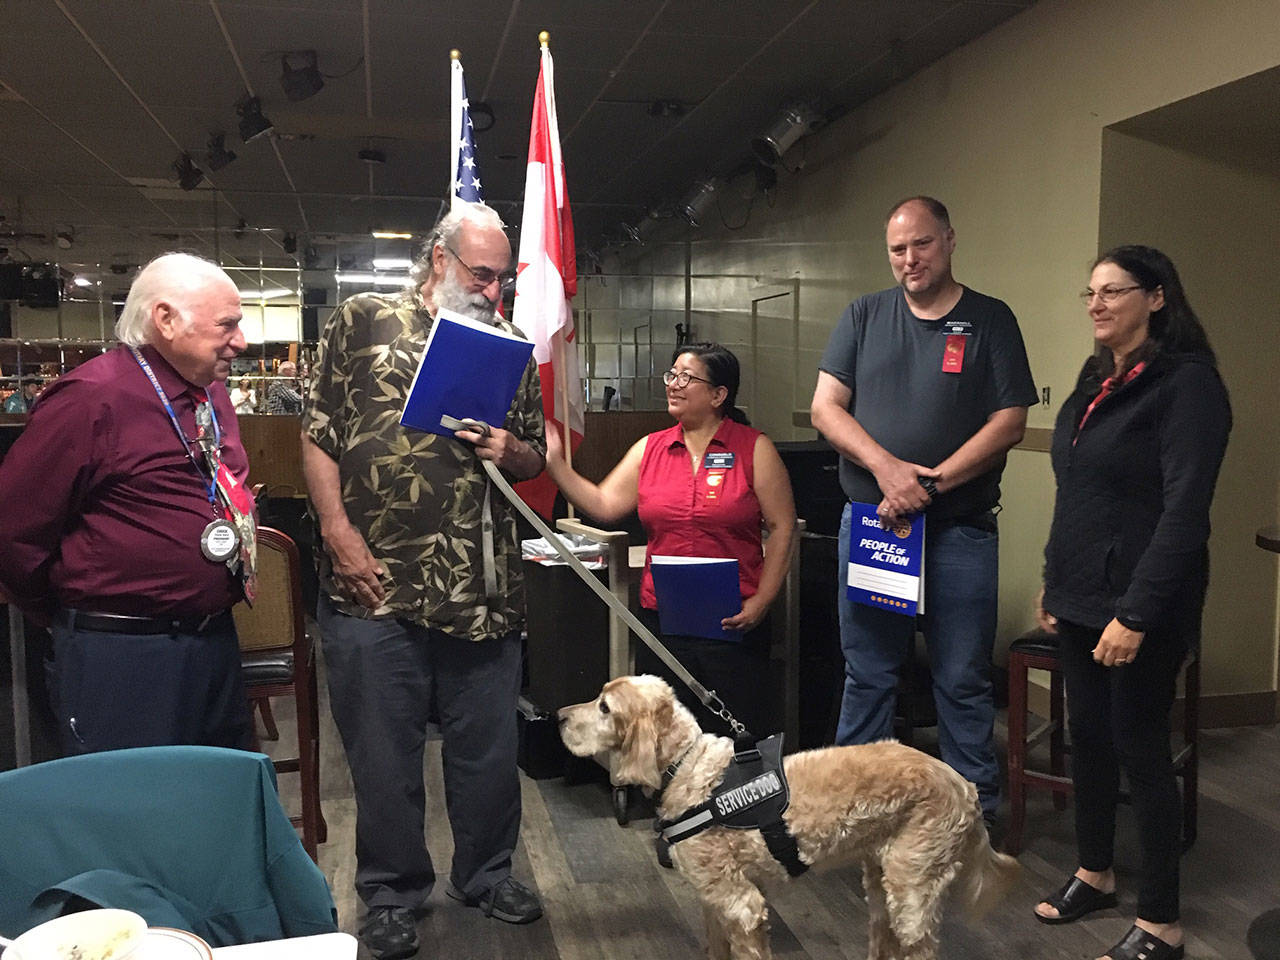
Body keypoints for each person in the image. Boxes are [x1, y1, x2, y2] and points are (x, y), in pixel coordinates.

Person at [302, 202, 546, 960]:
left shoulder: (508, 344)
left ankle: (485, 874)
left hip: (482, 590)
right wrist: (338, 534)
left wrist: (511, 449)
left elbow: (537, 459)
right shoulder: (363, 319)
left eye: (503, 277)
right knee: (381, 755)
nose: (494, 289)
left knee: (487, 751)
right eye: (482, 273)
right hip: (374, 586)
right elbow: (318, 435)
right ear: (439, 258)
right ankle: (390, 892)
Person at [810, 196, 1038, 828]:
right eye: (897, 249)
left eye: (922, 245)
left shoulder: (991, 320)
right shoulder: (863, 315)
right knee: (870, 674)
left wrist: (930, 486)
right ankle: (857, 812)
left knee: (961, 680)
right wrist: (887, 470)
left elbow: (1011, 421)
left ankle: (972, 817)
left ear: (950, 241)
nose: (909, 260)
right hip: (876, 528)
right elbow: (827, 408)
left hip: (959, 532)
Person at [1033, 246, 1230, 960]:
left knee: (1140, 751)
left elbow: (1185, 514)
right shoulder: (1097, 381)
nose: (1097, 304)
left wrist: (1136, 614)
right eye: (1090, 291)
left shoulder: (1188, 386)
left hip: (1146, 603)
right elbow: (1078, 496)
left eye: (1113, 291)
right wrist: (1055, 581)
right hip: (1082, 597)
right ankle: (1095, 872)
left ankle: (1162, 923)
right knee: (1088, 739)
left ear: (1157, 298)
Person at [0, 252, 255, 753]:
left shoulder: (211, 395)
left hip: (212, 641)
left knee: (211, 803)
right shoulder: (91, 398)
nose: (241, 342)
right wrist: (69, 614)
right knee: (131, 815)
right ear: (165, 319)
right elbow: (13, 528)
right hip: (122, 655)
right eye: (228, 325)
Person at [543, 342, 797, 738]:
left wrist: (763, 600)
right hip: (664, 621)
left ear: (718, 395)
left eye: (687, 377)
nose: (674, 385)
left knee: (733, 733)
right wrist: (555, 465)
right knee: (665, 734)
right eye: (672, 375)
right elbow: (605, 503)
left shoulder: (753, 448)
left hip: (733, 620)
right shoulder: (651, 448)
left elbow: (784, 527)